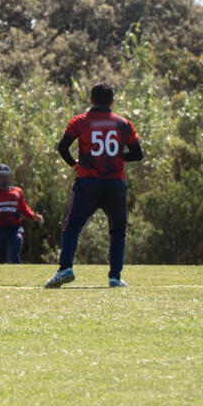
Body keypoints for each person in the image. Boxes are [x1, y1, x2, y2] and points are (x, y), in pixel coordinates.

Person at [45, 82, 144, 288]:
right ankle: (115, 277)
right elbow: (137, 154)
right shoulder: (124, 124)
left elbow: (63, 147)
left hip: (88, 183)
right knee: (118, 230)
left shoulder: (80, 121)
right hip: (115, 184)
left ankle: (65, 269)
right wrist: (115, 156)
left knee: (72, 227)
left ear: (91, 99)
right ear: (112, 101)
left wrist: (74, 164)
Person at [0, 164, 43, 264]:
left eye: (5, 176)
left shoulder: (17, 192)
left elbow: (24, 209)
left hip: (14, 229)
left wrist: (33, 216)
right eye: (1, 176)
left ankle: (16, 275)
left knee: (14, 254)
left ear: (10, 177)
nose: (3, 178)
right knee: (0, 260)